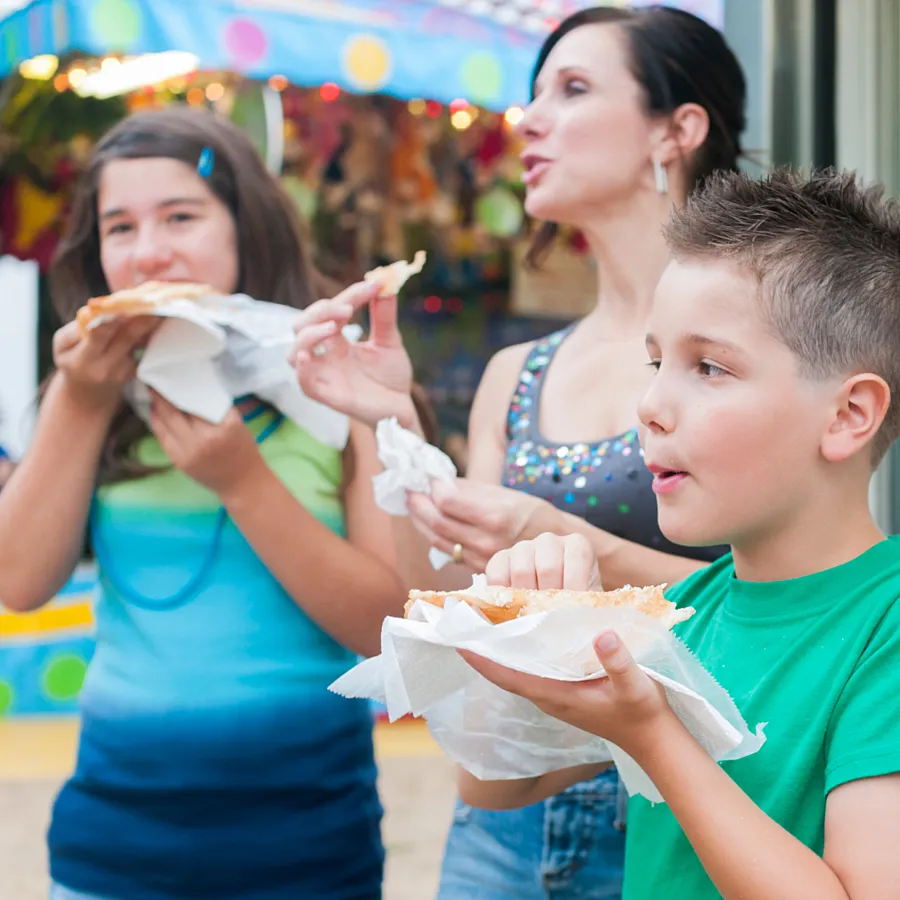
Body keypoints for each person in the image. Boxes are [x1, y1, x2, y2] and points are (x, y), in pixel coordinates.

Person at [290, 6, 746, 897]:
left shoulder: (750, 347)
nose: (528, 120)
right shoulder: (517, 372)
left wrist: (558, 533)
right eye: (533, 93)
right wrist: (394, 430)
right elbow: (449, 604)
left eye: (571, 90)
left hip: (683, 810)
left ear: (678, 129)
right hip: (500, 818)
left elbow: (781, 602)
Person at [0, 107, 411, 900]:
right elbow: (18, 583)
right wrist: (81, 403)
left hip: (310, 843)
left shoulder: (344, 389)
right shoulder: (88, 391)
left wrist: (244, 483)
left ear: (244, 228)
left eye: (181, 217)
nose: (149, 251)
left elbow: (389, 633)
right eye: (120, 228)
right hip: (111, 844)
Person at [455, 167, 900, 900]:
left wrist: (654, 736)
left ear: (850, 415)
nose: (651, 405)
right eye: (656, 362)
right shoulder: (685, 611)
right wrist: (528, 622)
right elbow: (495, 779)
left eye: (711, 368)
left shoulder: (883, 626)